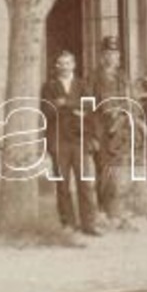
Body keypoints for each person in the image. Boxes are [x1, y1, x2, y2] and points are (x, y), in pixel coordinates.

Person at [40, 49, 100, 236]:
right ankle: (68, 224)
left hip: (79, 139)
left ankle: (88, 225)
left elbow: (90, 109)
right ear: (57, 66)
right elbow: (46, 111)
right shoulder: (49, 86)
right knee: (63, 184)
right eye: (61, 63)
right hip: (58, 140)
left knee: (85, 183)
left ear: (73, 65)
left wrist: (66, 104)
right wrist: (62, 106)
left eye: (68, 63)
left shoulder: (82, 85)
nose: (64, 67)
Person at [90, 35, 145, 227]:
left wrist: (130, 116)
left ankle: (121, 209)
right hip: (103, 130)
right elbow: (89, 106)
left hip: (123, 129)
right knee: (104, 168)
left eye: (114, 53)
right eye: (107, 53)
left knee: (122, 168)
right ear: (101, 56)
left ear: (119, 55)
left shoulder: (123, 76)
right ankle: (103, 208)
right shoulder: (93, 78)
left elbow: (132, 99)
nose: (111, 57)